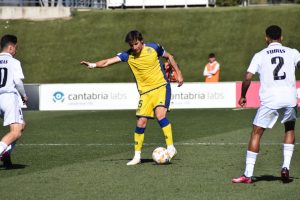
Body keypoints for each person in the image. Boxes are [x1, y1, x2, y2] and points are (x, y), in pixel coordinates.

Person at [81, 30, 184, 165]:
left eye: (136, 44)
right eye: (131, 45)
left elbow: (169, 57)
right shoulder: (127, 55)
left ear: (141, 41)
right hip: (145, 93)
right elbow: (107, 62)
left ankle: (171, 148)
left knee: (160, 115)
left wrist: (179, 73)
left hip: (161, 87)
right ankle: (137, 156)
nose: (134, 47)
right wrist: (93, 65)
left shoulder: (154, 48)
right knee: (140, 122)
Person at [232, 25, 300, 183]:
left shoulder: (260, 55)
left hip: (270, 100)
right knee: (289, 128)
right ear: (281, 38)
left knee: (256, 133)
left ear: (266, 38)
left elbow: (248, 77)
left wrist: (243, 96)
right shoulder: (293, 52)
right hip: (290, 98)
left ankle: (248, 175)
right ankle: (285, 167)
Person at [0, 34, 28, 169]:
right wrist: (24, 95)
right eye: (15, 47)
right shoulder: (14, 62)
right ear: (10, 47)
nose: (16, 50)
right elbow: (17, 81)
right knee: (16, 131)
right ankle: (2, 151)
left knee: (21, 125)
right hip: (8, 97)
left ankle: (6, 154)